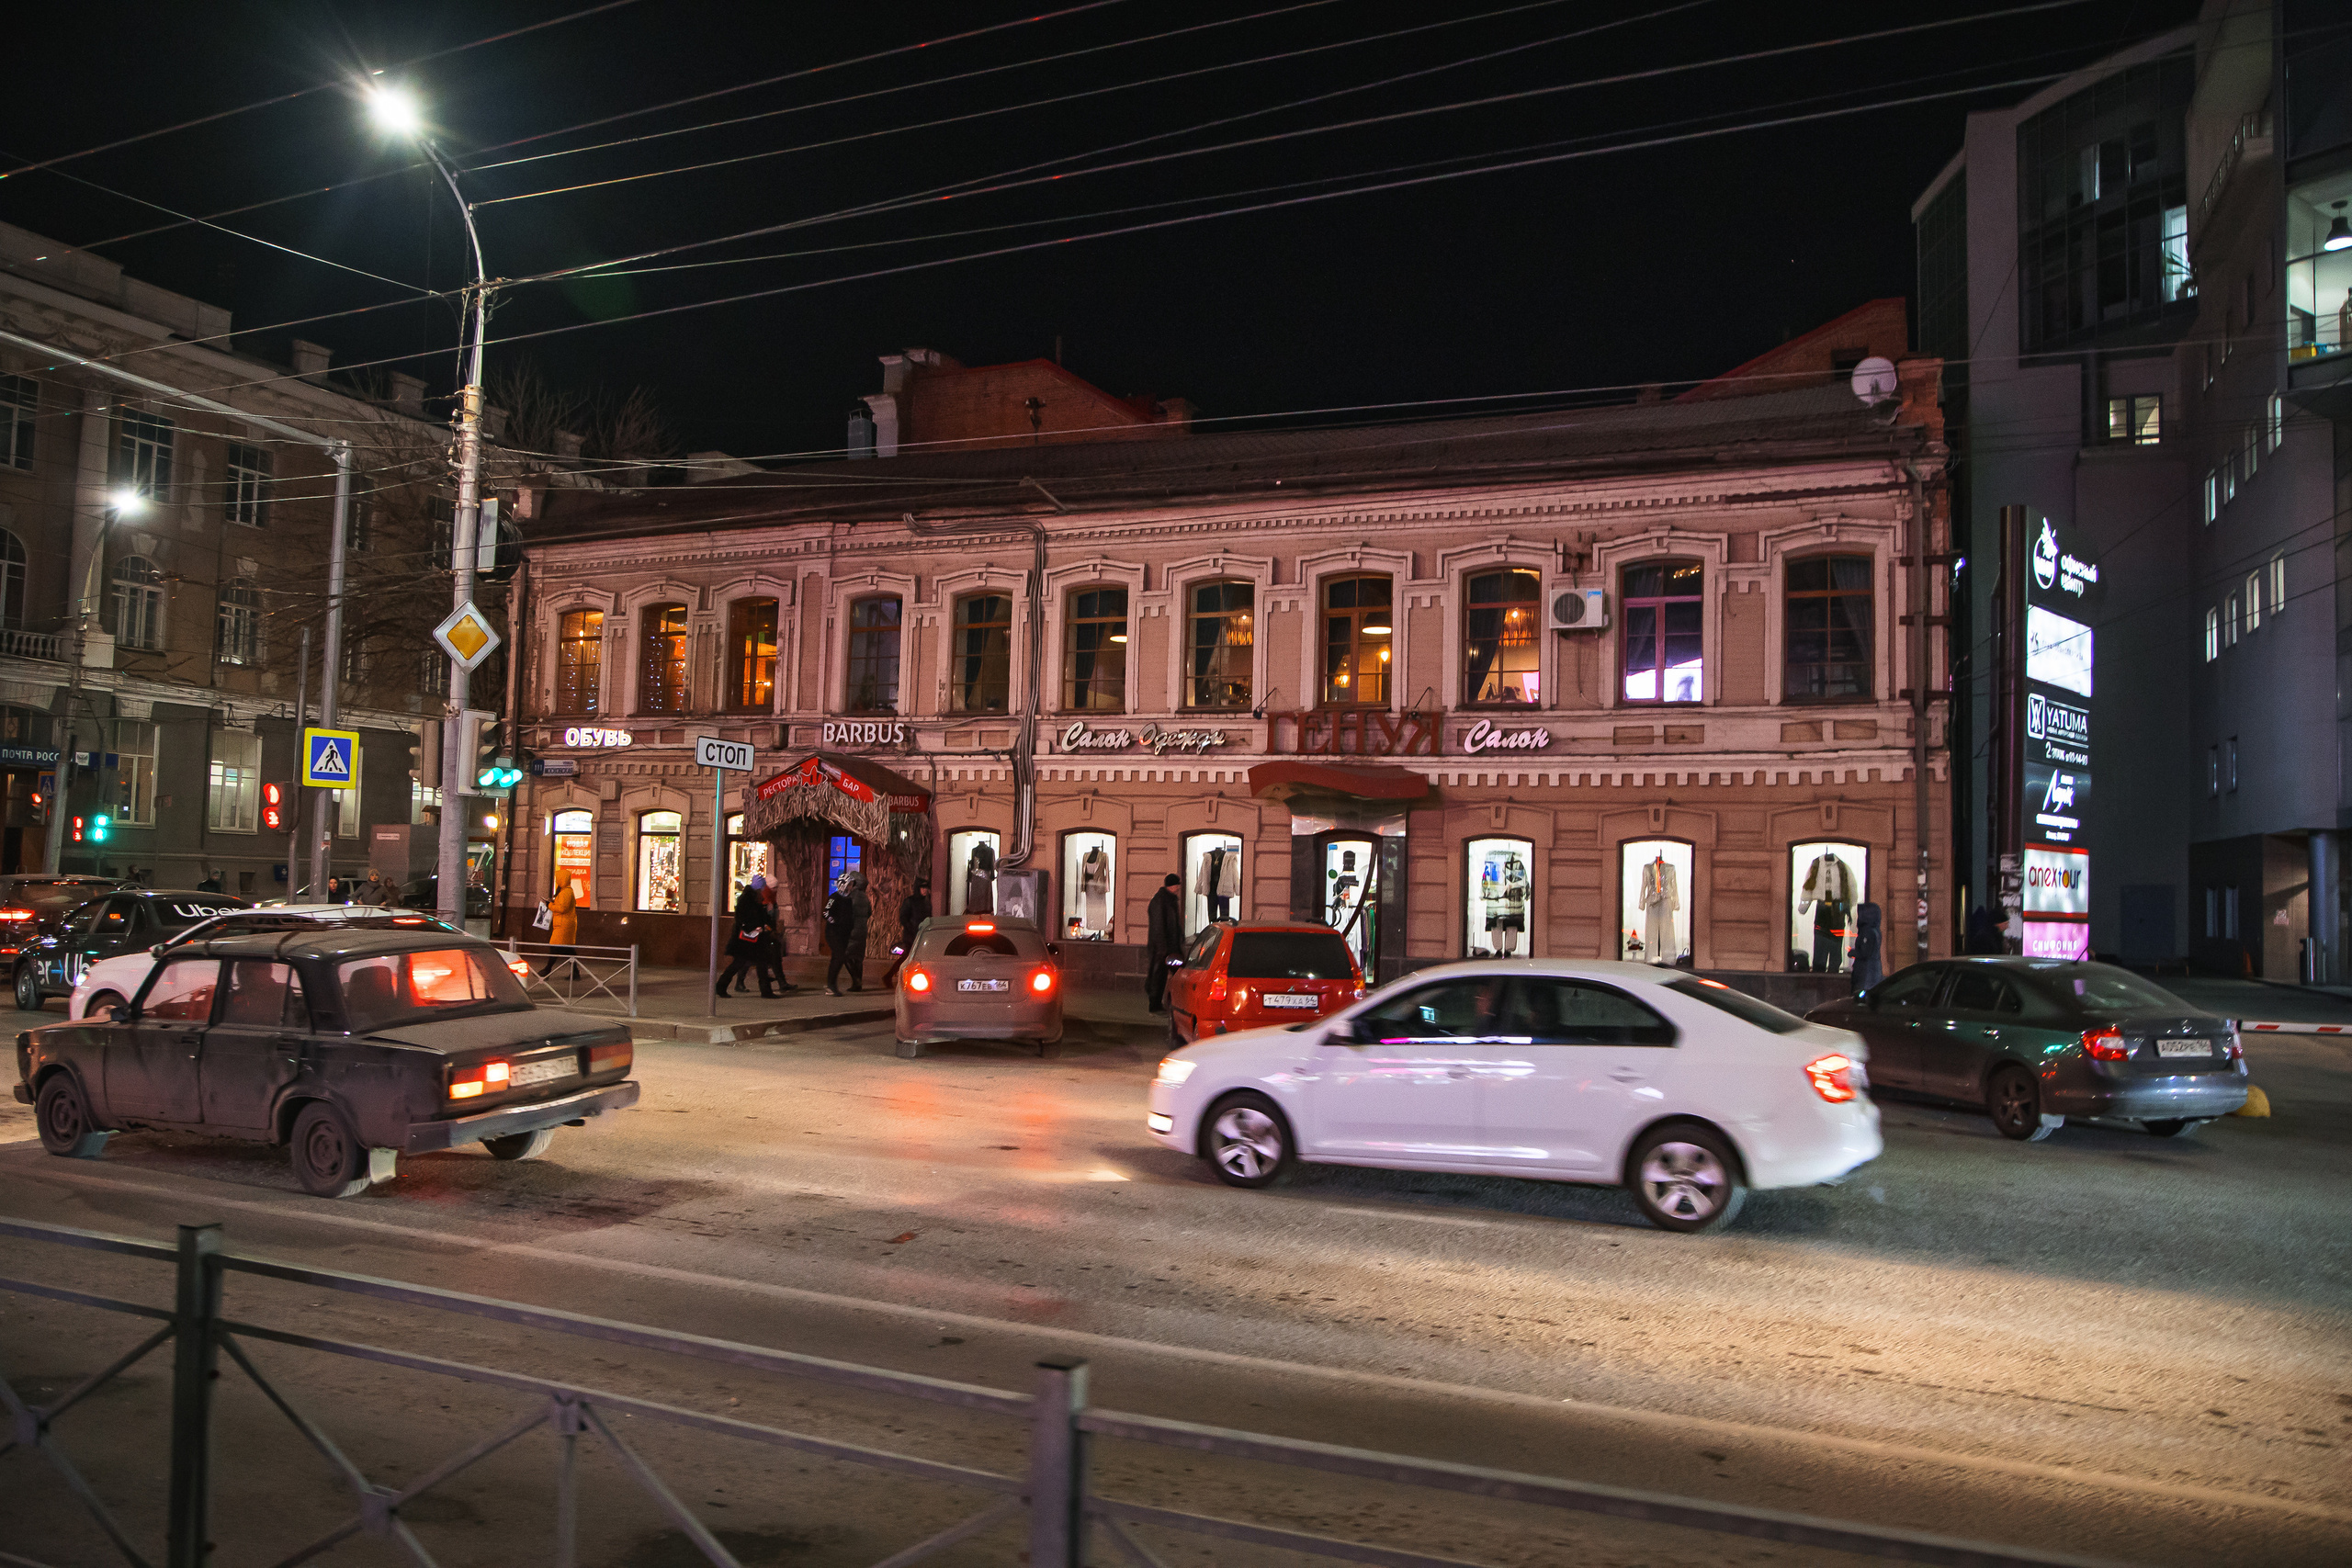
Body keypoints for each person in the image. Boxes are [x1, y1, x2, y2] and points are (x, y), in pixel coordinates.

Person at [718, 876, 779, 998]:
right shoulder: (746, 899)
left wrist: (766, 926)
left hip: (755, 939)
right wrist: (753, 927)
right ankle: (721, 986)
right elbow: (741, 918)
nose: (763, 889)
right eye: (762, 887)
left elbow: (761, 916)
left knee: (761, 963)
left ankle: (766, 991)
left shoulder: (755, 898)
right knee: (739, 963)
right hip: (746, 939)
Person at [882, 875, 932, 987]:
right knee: (906, 957)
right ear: (918, 889)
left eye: (926, 888)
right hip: (911, 935)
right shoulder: (910, 901)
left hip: (922, 934)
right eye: (923, 888)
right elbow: (903, 918)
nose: (925, 890)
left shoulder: (927, 902)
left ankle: (897, 978)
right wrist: (911, 929)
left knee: (912, 958)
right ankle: (889, 976)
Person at [1145, 872, 1183, 1013]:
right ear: (1171, 886)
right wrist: (1162, 948)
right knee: (1158, 975)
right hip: (1161, 948)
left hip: (1170, 946)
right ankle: (1154, 1004)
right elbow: (1158, 927)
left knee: (1176, 973)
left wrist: (1179, 938)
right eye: (1177, 885)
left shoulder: (1170, 900)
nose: (1179, 888)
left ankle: (1174, 1004)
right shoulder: (1160, 901)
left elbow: (1174, 924)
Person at [539, 880, 582, 978]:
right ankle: (575, 972)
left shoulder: (566, 892)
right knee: (567, 949)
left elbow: (562, 908)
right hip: (563, 924)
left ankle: (547, 970)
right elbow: (562, 906)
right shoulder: (566, 892)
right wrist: (553, 902)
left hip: (563, 925)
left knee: (555, 947)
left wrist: (549, 905)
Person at [823, 873, 856, 996]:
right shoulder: (834, 897)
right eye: (849, 884)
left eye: (851, 885)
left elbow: (850, 915)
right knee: (839, 956)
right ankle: (831, 986)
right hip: (834, 933)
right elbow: (826, 913)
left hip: (844, 934)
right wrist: (835, 922)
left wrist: (850, 926)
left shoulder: (848, 899)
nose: (851, 887)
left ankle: (831, 985)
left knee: (838, 958)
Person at [1849, 901, 1883, 992]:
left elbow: (1865, 953)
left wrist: (1852, 952)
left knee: (1861, 997)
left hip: (1866, 974)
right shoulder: (1875, 930)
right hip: (1871, 972)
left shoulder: (1867, 931)